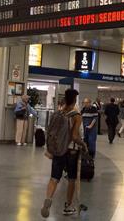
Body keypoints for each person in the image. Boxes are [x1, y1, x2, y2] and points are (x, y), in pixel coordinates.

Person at [41, 89, 87, 218]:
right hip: (71, 151)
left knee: (54, 177)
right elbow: (74, 136)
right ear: (75, 100)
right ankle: (67, 206)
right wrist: (83, 144)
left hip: (58, 149)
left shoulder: (59, 113)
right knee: (72, 179)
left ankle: (48, 199)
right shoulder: (76, 116)